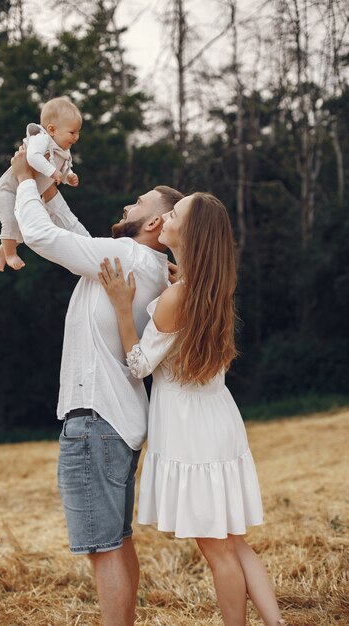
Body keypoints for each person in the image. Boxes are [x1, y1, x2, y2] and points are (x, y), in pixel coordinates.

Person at [10, 145, 183, 626]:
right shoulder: (141, 264)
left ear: (153, 224)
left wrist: (25, 178)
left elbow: (42, 237)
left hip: (94, 423)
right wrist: (51, 190)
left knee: (104, 551)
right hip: (118, 424)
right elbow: (76, 237)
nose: (129, 203)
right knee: (118, 544)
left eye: (140, 200)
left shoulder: (126, 255)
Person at [98, 192, 285, 626]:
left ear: (190, 232)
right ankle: (276, 623)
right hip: (218, 418)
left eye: (174, 213)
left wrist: (124, 311)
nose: (165, 216)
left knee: (217, 549)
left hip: (189, 428)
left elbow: (140, 364)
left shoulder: (176, 297)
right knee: (233, 540)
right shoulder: (210, 288)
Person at [0, 97, 81, 272]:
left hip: (23, 194)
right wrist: (52, 172)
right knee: (10, 221)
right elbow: (33, 157)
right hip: (8, 191)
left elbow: (62, 171)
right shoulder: (41, 138)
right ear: (52, 129)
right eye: (72, 132)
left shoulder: (63, 151)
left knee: (23, 229)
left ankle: (3, 250)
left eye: (78, 132)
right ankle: (10, 254)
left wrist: (68, 176)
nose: (76, 137)